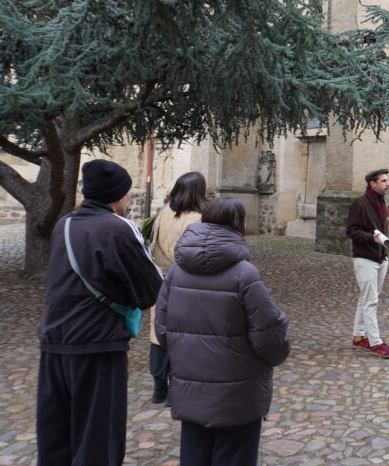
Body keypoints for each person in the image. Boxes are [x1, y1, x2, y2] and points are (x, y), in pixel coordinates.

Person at [37, 159, 163, 465]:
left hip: (55, 340)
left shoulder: (63, 224)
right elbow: (151, 290)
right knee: (98, 436)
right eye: (128, 193)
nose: (130, 200)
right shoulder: (119, 228)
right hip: (98, 343)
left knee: (57, 436)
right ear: (118, 196)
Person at [155, 197, 290, 466]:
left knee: (194, 454)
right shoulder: (244, 273)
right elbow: (270, 334)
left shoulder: (177, 271)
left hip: (191, 385)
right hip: (237, 393)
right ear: (240, 224)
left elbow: (162, 329)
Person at [148, 171, 208, 405]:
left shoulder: (163, 213)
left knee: (159, 333)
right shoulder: (199, 218)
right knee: (184, 334)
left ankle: (159, 388)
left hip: (162, 279)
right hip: (187, 282)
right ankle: (176, 388)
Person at [346, 168, 389, 357]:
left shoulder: (380, 202)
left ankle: (359, 337)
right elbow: (351, 231)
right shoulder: (360, 203)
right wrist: (371, 238)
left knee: (366, 298)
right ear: (372, 184)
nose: (387, 183)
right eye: (383, 181)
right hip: (365, 258)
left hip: (380, 257)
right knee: (371, 301)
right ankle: (375, 342)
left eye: (387, 180)